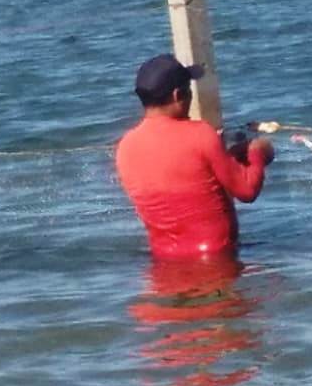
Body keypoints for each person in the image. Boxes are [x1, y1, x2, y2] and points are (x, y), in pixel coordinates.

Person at [114, 54, 275, 261]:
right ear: (177, 95)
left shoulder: (126, 147)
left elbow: (188, 177)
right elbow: (246, 190)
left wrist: (228, 157)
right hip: (216, 259)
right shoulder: (201, 134)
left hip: (165, 264)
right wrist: (257, 152)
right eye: (189, 92)